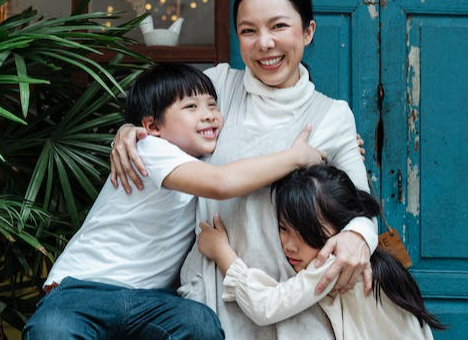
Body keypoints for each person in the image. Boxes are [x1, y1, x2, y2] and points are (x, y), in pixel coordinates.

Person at [110, 0, 378, 339]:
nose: (264, 43)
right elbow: (164, 125)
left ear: (308, 31)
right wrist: (130, 131)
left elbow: (363, 205)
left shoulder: (332, 115)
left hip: (289, 305)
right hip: (208, 302)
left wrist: (358, 238)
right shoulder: (217, 87)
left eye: (278, 26)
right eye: (248, 30)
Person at [22, 64, 325, 340]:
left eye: (212, 105)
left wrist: (331, 148)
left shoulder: (202, 161)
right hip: (83, 291)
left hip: (152, 300)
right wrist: (296, 157)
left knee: (199, 324)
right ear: (152, 126)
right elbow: (222, 183)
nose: (208, 114)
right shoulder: (150, 149)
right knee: (53, 331)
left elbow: (245, 159)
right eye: (191, 107)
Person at [198, 164, 446, 340]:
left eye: (305, 233)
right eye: (283, 228)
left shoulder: (335, 264)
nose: (290, 245)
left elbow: (266, 306)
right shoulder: (376, 264)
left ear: (343, 228)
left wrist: (221, 251)